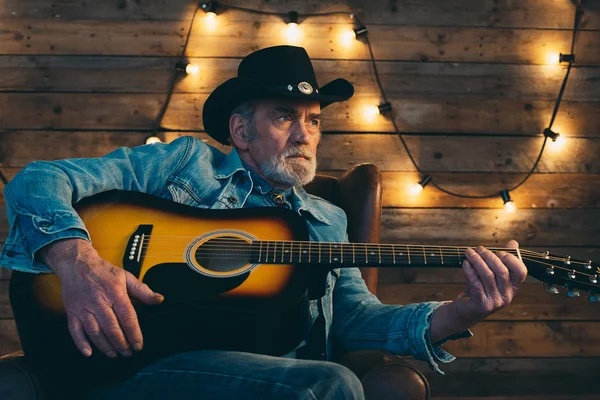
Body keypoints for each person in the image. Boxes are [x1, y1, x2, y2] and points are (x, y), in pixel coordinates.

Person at [0, 46, 527, 399]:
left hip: (271, 369)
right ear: (241, 129)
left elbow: (356, 319)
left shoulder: (326, 219)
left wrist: (460, 312)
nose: (304, 134)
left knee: (326, 379)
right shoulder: (185, 164)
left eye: (314, 120)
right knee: (330, 386)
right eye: (284, 116)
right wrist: (78, 262)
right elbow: (38, 180)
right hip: (131, 357)